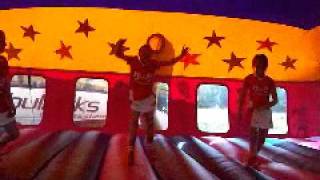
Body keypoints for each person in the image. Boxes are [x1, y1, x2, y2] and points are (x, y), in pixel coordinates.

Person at [113, 38, 188, 165]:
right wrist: (119, 45)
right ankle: (133, 150)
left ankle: (146, 147)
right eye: (144, 55)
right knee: (137, 123)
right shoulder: (136, 61)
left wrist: (181, 55)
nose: (145, 57)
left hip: (146, 97)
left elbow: (169, 62)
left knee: (145, 123)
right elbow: (119, 55)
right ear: (140, 54)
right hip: (137, 97)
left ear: (148, 55)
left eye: (147, 55)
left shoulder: (150, 63)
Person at [238, 54, 278, 166]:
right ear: (253, 66)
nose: (258, 68)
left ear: (265, 67)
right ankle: (252, 155)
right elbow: (242, 96)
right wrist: (240, 111)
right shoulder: (249, 79)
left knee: (262, 136)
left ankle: (254, 155)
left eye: (261, 66)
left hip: (264, 111)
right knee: (253, 134)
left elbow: (275, 100)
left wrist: (266, 105)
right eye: (256, 66)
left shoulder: (269, 81)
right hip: (253, 110)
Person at [0, 30, 19, 146]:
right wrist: (11, 105)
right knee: (14, 133)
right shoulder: (2, 62)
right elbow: (6, 86)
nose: (6, 45)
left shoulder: (2, 61)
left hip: (2, 103)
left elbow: (6, 85)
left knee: (14, 133)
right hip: (2, 105)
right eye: (3, 42)